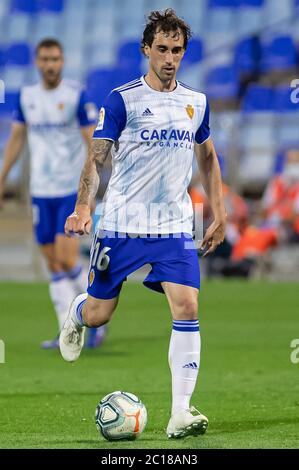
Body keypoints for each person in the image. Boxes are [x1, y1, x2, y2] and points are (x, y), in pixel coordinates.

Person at [61, 9, 226, 439]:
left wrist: (219, 212)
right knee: (100, 315)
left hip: (174, 225)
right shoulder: (122, 99)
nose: (170, 58)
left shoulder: (196, 102)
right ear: (146, 50)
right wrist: (83, 208)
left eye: (177, 50)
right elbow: (96, 159)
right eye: (162, 49)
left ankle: (180, 412)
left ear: (184, 52)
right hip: (121, 223)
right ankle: (76, 314)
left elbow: (207, 158)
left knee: (188, 306)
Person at [0, 38, 106, 349]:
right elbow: (17, 139)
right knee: (55, 264)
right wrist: (3, 176)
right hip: (40, 192)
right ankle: (75, 324)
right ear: (37, 62)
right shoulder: (28, 97)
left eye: (56, 59)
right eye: (45, 59)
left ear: (63, 61)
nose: (50, 65)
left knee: (64, 257)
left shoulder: (75, 94)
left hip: (69, 191)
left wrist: (92, 187)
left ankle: (80, 324)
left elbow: (93, 143)